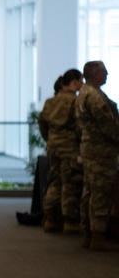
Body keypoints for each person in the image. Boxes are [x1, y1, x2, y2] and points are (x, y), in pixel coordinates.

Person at [74, 60, 119, 252]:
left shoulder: (83, 92)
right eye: (104, 71)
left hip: (90, 149)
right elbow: (109, 127)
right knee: (101, 191)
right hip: (102, 151)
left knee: (90, 191)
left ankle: (88, 233)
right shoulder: (94, 97)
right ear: (94, 74)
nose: (107, 74)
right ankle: (98, 235)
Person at [38, 69, 84, 234]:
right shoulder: (75, 102)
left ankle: (51, 218)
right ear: (74, 82)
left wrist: (50, 139)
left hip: (53, 147)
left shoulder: (50, 102)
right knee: (70, 183)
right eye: (81, 80)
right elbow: (80, 127)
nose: (82, 84)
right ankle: (70, 221)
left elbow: (42, 124)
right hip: (70, 149)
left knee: (54, 182)